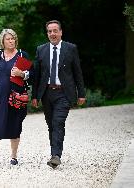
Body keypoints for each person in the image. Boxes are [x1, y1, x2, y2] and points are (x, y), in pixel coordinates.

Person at [31, 20, 86, 168]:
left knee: (58, 122)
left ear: (61, 32)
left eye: (55, 31)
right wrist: (34, 96)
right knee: (51, 125)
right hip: (46, 93)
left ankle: (56, 155)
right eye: (50, 31)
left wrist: (81, 93)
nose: (52, 34)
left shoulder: (71, 48)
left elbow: (77, 72)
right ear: (47, 33)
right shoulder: (41, 50)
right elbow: (37, 75)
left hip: (64, 93)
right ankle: (54, 153)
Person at [0, 29, 33, 166]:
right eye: (8, 39)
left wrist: (22, 74)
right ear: (2, 41)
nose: (11, 41)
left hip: (15, 96)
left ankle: (14, 156)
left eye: (13, 39)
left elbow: (32, 74)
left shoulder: (22, 54)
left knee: (14, 124)